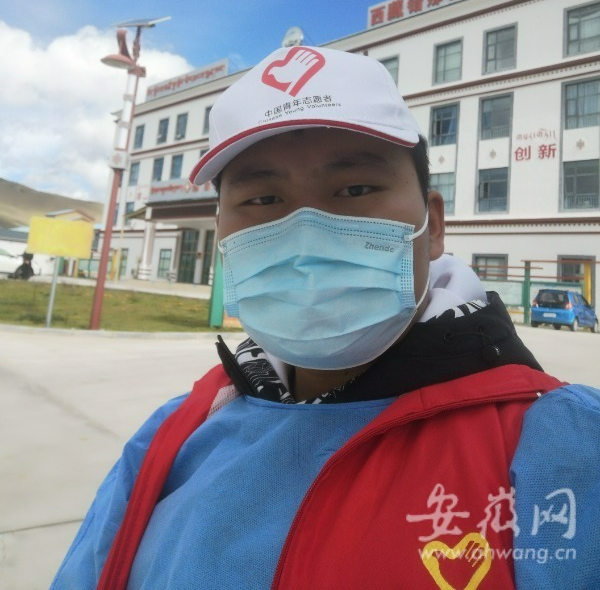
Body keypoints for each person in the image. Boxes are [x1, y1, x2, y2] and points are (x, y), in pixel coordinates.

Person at [52, 46, 599, 590]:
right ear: (222, 233)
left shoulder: (561, 445)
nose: (305, 233)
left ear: (432, 225)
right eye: (263, 198)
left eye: (355, 189)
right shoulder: (170, 437)